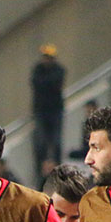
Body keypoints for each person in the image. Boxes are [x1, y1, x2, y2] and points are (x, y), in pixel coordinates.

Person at [30, 44, 66, 186]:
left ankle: (59, 174)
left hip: (55, 111)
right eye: (45, 57)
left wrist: (46, 84)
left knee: (56, 143)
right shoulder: (37, 70)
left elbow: (53, 84)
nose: (46, 60)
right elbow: (37, 84)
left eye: (49, 57)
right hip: (41, 111)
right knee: (40, 144)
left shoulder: (59, 70)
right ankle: (41, 176)